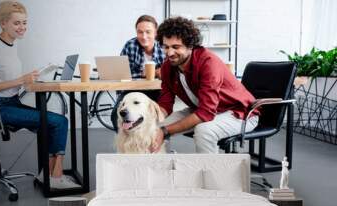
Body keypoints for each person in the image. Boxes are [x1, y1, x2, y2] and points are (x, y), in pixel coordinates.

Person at [0, 1, 75, 189]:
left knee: (52, 123)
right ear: (3, 23)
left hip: (11, 103)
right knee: (60, 122)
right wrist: (21, 80)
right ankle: (55, 175)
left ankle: (47, 174)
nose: (22, 27)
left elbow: (8, 81)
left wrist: (29, 79)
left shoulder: (11, 45)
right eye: (17, 23)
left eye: (24, 23)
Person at [151, 17, 260, 153]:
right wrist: (150, 120)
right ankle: (158, 167)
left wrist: (165, 131)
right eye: (166, 47)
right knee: (153, 127)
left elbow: (206, 113)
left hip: (239, 113)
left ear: (190, 46)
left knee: (204, 131)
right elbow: (165, 104)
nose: (169, 53)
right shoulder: (168, 67)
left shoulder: (208, 63)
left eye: (176, 47)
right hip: (204, 109)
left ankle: (209, 173)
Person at [110, 15, 166, 131]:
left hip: (158, 91)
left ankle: (158, 144)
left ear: (156, 32)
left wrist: (155, 72)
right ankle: (128, 144)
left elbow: (170, 73)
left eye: (148, 32)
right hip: (132, 90)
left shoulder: (164, 47)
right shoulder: (130, 46)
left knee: (158, 117)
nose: (144, 36)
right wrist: (145, 73)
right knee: (115, 116)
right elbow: (123, 74)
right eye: (140, 32)